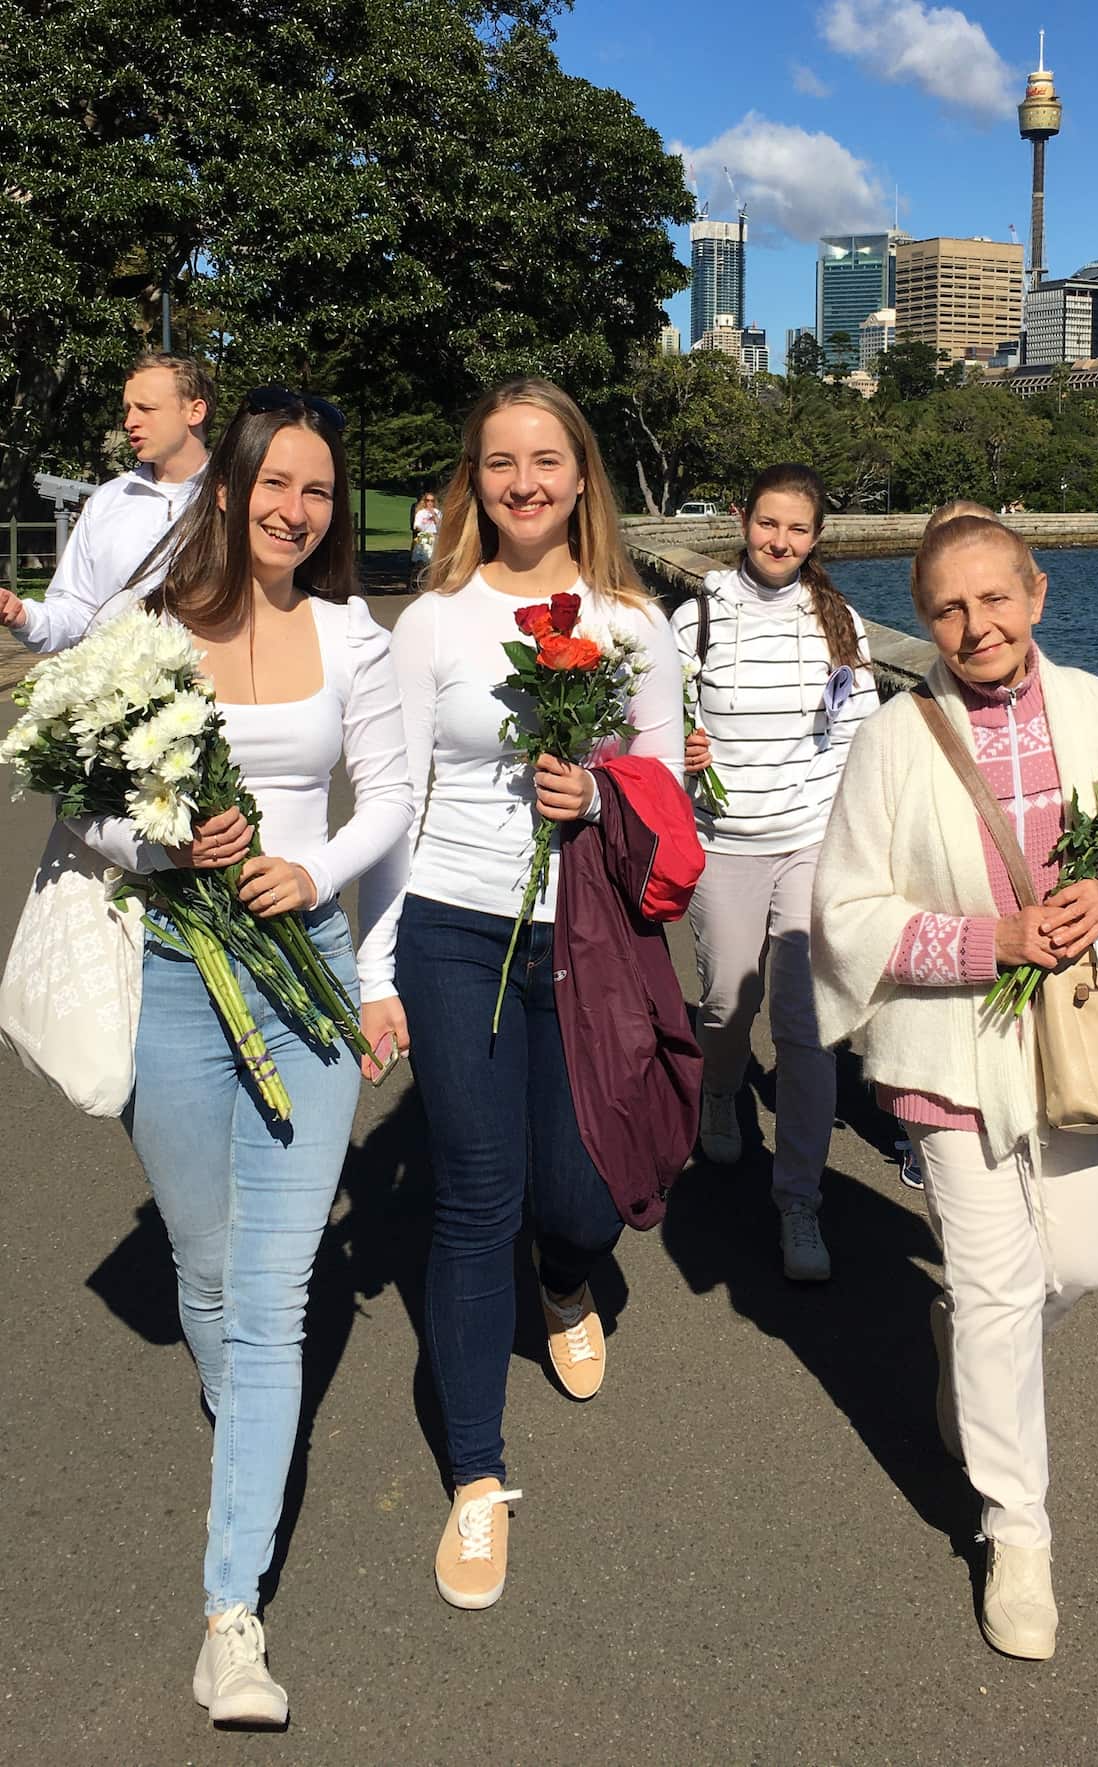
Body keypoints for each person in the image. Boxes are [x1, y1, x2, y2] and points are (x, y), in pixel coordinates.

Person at [811, 507, 1098, 1660]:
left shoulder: (1094, 707)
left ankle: (972, 1354)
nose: (974, 625)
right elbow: (843, 912)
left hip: (1079, 1038)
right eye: (947, 607)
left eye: (994, 599)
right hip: (951, 1051)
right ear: (923, 619)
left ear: (1036, 596)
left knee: (1079, 1261)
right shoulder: (895, 739)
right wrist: (984, 943)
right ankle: (1015, 1531)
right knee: (995, 1293)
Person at [73, 387, 412, 1724]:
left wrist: (308, 869)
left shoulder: (352, 635)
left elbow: (388, 802)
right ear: (229, 487)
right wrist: (161, 844)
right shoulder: (145, 631)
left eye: (319, 490)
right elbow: (87, 802)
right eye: (276, 481)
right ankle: (248, 1412)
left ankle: (231, 1614)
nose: (295, 507)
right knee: (208, 1272)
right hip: (171, 973)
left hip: (304, 976)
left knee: (272, 1303)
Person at [358, 378, 685, 1611]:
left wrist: (596, 798)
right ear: (474, 481)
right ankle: (478, 1479)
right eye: (499, 462)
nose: (524, 481)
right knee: (472, 1198)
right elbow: (394, 809)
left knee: (582, 1192)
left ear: (582, 475)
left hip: (592, 939)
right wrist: (376, 970)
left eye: (546, 459)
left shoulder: (631, 627)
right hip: (454, 930)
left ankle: (565, 1279)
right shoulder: (432, 623)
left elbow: (663, 788)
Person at [671, 464, 878, 1280]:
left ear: (817, 538)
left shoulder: (838, 622)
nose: (780, 541)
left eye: (797, 529)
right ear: (741, 519)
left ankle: (799, 1199)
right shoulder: (696, 621)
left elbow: (858, 735)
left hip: (808, 841)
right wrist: (683, 755)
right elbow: (650, 730)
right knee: (726, 996)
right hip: (722, 838)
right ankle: (719, 1089)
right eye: (767, 524)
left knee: (806, 1026)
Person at [0, 352, 215, 649]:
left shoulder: (245, 497)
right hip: (120, 690)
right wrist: (26, 616)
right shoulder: (107, 501)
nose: (129, 422)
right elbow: (77, 612)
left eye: (146, 408)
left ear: (195, 412)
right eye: (128, 409)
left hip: (225, 691)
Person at [408, 488, 440, 585]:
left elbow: (440, 526)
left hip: (434, 537)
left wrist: (434, 515)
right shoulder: (420, 513)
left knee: (434, 562)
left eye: (432, 501)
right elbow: (416, 526)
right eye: (428, 500)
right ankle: (415, 579)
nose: (430, 503)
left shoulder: (438, 512)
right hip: (424, 538)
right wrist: (421, 529)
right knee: (420, 561)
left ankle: (433, 581)